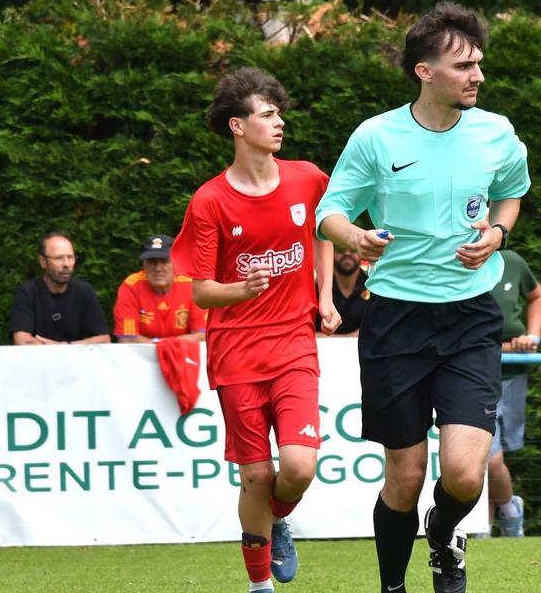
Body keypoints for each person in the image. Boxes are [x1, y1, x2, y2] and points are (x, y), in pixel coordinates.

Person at [314, 2, 530, 592]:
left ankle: (445, 535)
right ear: (424, 72)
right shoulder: (376, 136)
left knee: (464, 474)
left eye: (480, 63)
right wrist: (354, 234)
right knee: (404, 478)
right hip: (396, 320)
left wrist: (497, 234)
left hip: (470, 318)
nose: (478, 76)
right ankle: (393, 587)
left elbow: (511, 194)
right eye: (464, 66)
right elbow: (327, 212)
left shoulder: (496, 131)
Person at [170, 66, 341, 593]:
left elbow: (325, 229)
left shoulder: (307, 177)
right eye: (267, 114)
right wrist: (241, 290)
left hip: (294, 342)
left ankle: (277, 517)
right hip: (236, 352)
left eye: (278, 112)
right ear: (237, 127)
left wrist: (326, 296)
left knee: (298, 467)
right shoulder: (210, 202)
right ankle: (258, 586)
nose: (279, 122)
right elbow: (200, 291)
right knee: (255, 476)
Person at [486, 249, 541, 537]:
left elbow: (537, 295)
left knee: (494, 456)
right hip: (472, 374)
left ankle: (483, 525)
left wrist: (532, 337)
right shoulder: (447, 260)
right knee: (489, 456)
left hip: (512, 374)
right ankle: (510, 511)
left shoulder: (512, 261)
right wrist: (506, 348)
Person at [9, 232, 111, 345]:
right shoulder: (27, 292)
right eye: (59, 258)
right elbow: (22, 341)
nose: (66, 264)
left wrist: (65, 347)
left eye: (70, 257)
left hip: (75, 361)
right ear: (43, 262)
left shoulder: (84, 291)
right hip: (38, 361)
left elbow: (104, 339)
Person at [113, 234, 207, 343]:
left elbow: (202, 336)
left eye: (164, 261)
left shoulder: (190, 285)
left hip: (185, 357)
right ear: (144, 264)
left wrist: (162, 345)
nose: (158, 268)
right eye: (152, 262)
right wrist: (164, 346)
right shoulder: (131, 286)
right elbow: (127, 338)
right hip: (140, 357)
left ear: (176, 262)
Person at [324, 245, 370, 336]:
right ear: (330, 252)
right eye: (340, 248)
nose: (347, 253)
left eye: (353, 249)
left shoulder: (373, 288)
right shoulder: (318, 289)